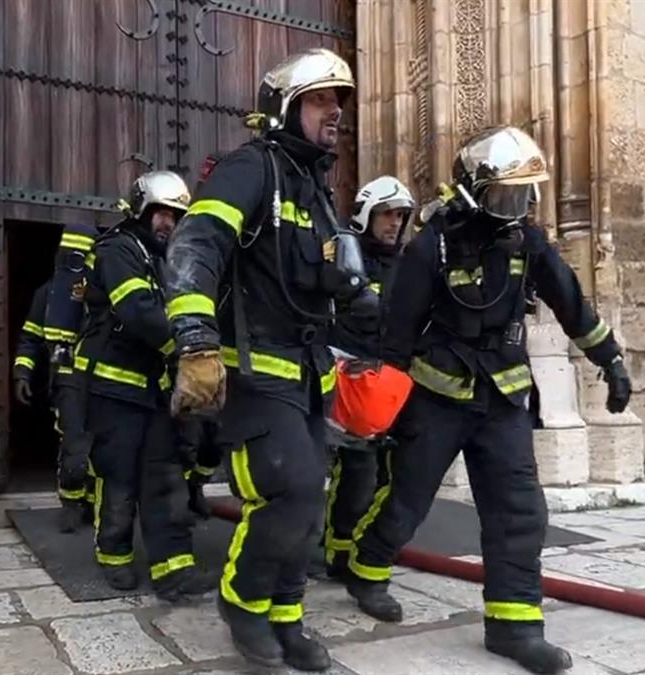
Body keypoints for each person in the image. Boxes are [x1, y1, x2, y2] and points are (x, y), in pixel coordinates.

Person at [342, 126, 633, 675]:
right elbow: (397, 334)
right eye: (506, 196)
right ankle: (367, 564)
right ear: (473, 193)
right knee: (406, 501)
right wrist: (385, 404)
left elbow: (572, 302)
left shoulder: (529, 242)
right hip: (437, 397)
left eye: (524, 195)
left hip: (504, 398)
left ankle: (514, 626)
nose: (516, 208)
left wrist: (611, 361)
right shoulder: (433, 245)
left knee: (520, 512)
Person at [164, 47, 368, 672]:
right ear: (284, 108)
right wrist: (196, 340)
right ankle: (243, 602)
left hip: (307, 377)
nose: (335, 111)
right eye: (320, 100)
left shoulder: (316, 191)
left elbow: (341, 288)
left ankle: (288, 617)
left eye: (339, 101)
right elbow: (195, 247)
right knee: (292, 488)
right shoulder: (248, 170)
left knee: (309, 503)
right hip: (255, 376)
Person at [62, 170, 214, 602]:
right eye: (163, 213)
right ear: (142, 210)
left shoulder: (166, 261)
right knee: (120, 477)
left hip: (153, 388)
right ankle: (115, 556)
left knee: (167, 474)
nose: (169, 222)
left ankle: (174, 567)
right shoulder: (118, 250)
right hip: (113, 388)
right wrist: (187, 348)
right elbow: (137, 309)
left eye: (177, 215)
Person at [321, 176, 414, 579]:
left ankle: (369, 548)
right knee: (357, 472)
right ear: (365, 215)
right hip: (355, 381)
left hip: (396, 383)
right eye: (386, 215)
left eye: (400, 216)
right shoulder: (345, 255)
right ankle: (339, 552)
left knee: (392, 476)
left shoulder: (411, 264)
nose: (394, 223)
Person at [11, 223, 101, 532]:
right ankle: (72, 503)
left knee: (103, 446)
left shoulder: (104, 289)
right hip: (66, 377)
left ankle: (93, 501)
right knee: (75, 445)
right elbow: (31, 337)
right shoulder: (47, 294)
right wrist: (22, 372)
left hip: (102, 377)